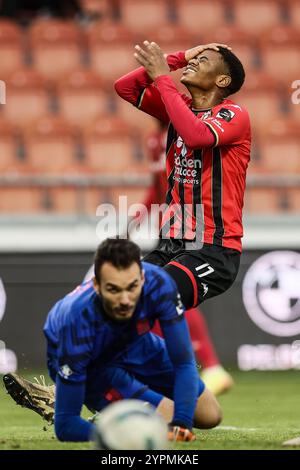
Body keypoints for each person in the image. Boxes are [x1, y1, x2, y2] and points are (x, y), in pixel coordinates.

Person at [3, 238, 221, 443]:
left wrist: (182, 423)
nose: (125, 300)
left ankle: (107, 407)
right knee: (155, 419)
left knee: (210, 414)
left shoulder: (159, 285)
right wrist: (116, 435)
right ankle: (82, 403)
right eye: (114, 289)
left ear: (142, 278)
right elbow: (66, 425)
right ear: (97, 285)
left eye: (132, 288)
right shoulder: (75, 325)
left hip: (134, 343)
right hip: (95, 363)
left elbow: (182, 362)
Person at [114, 41, 251, 340]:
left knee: (155, 294)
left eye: (203, 60)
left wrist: (163, 77)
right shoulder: (181, 109)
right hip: (171, 244)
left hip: (212, 249)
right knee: (116, 304)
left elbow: (197, 135)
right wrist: (179, 58)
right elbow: (124, 87)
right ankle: (79, 385)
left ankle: (184, 376)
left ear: (222, 80)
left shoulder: (234, 115)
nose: (194, 61)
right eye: (195, 57)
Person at [141, 123, 233, 394]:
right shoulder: (155, 140)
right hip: (168, 228)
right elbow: (156, 189)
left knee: (167, 290)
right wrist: (136, 218)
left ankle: (205, 367)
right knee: (162, 292)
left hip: (188, 226)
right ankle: (206, 368)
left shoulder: (191, 132)